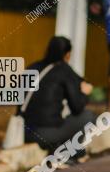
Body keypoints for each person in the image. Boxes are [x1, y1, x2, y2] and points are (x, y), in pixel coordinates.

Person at [22, 36, 104, 164]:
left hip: (24, 131)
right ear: (67, 54)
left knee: (56, 120)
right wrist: (84, 93)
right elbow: (77, 107)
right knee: (88, 116)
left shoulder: (32, 67)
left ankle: (67, 151)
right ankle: (65, 155)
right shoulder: (64, 70)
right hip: (46, 133)